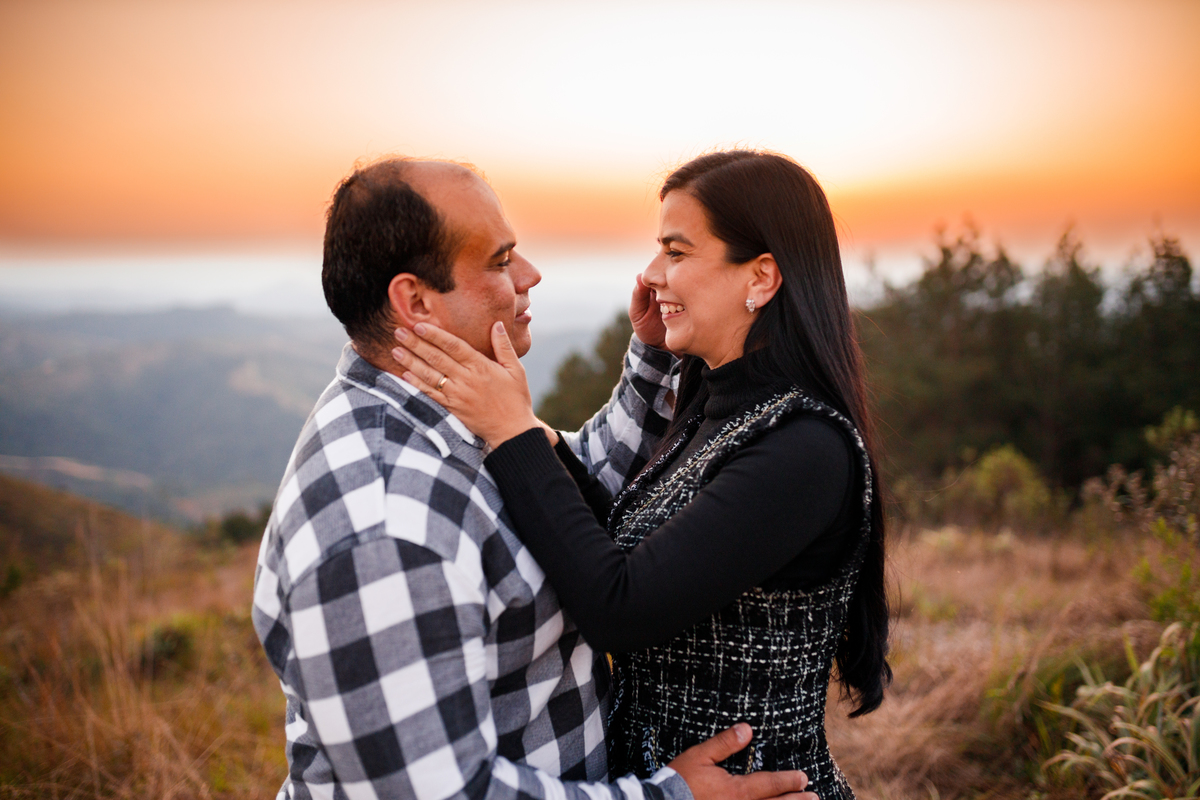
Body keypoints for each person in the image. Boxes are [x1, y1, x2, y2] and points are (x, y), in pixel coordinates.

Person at [251, 157, 819, 800]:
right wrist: (667, 797)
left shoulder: (455, 416)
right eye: (499, 260)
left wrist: (656, 356)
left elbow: (565, 496)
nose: (530, 274)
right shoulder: (381, 531)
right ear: (415, 301)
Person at [389, 150, 892, 800]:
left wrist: (513, 432)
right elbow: (624, 538)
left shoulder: (804, 449)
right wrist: (536, 430)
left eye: (676, 252)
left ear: (762, 277)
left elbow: (620, 608)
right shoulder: (716, 403)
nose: (652, 274)